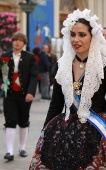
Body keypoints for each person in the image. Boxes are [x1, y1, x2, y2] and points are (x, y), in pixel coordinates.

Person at [29, 9, 106, 169]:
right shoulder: (62, 65)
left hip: (96, 130)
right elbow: (56, 104)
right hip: (63, 129)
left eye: (82, 35)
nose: (76, 39)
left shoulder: (103, 66)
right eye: (72, 34)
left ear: (93, 37)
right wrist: (45, 132)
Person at [0, 32, 38, 161]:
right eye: (15, 40)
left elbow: (33, 76)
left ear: (24, 43)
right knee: (10, 121)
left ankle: (22, 147)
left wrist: (31, 92)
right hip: (10, 95)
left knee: (23, 121)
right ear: (12, 42)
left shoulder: (29, 57)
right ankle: (9, 151)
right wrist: (1, 84)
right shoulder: (5, 57)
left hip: (24, 95)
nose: (17, 42)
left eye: (20, 40)